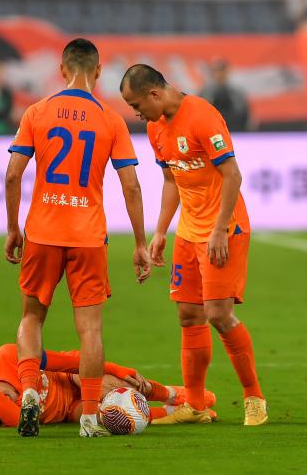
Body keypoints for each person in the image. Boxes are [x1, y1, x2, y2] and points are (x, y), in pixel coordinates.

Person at [3, 38, 151, 438]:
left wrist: (13, 228)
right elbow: (132, 186)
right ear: (98, 71)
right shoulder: (110, 119)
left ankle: (29, 390)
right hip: (88, 237)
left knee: (32, 317)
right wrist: (140, 243)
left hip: (43, 232)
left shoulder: (37, 112)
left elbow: (13, 175)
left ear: (62, 69)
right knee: (90, 330)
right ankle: (88, 417)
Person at [119, 65, 267, 427]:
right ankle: (196, 405)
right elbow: (172, 179)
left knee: (218, 314)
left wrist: (219, 229)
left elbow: (233, 174)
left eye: (136, 105)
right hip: (188, 231)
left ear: (155, 94)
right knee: (188, 315)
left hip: (223, 230)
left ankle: (254, 398)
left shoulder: (202, 116)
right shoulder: (155, 128)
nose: (136, 113)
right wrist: (160, 231)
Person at [0, 343, 217, 428]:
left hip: (72, 379)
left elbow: (70, 362)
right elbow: (18, 418)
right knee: (110, 417)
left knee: (107, 385)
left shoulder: (7, 357)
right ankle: (176, 413)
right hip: (71, 410)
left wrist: (115, 368)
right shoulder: (9, 414)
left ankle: (174, 394)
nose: (7, 401)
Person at [199, 60, 250, 132]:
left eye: (222, 71)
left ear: (227, 72)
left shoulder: (237, 92)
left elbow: (243, 112)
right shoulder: (205, 92)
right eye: (217, 71)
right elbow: (200, 113)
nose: (219, 74)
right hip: (211, 130)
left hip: (234, 129)